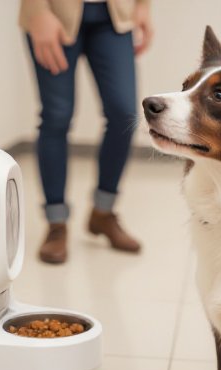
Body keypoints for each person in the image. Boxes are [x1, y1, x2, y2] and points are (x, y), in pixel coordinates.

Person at [19, 0, 153, 264]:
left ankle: (103, 213)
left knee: (124, 114)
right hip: (52, 12)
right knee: (56, 117)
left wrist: (143, 4)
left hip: (114, 15)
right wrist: (37, 10)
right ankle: (56, 223)